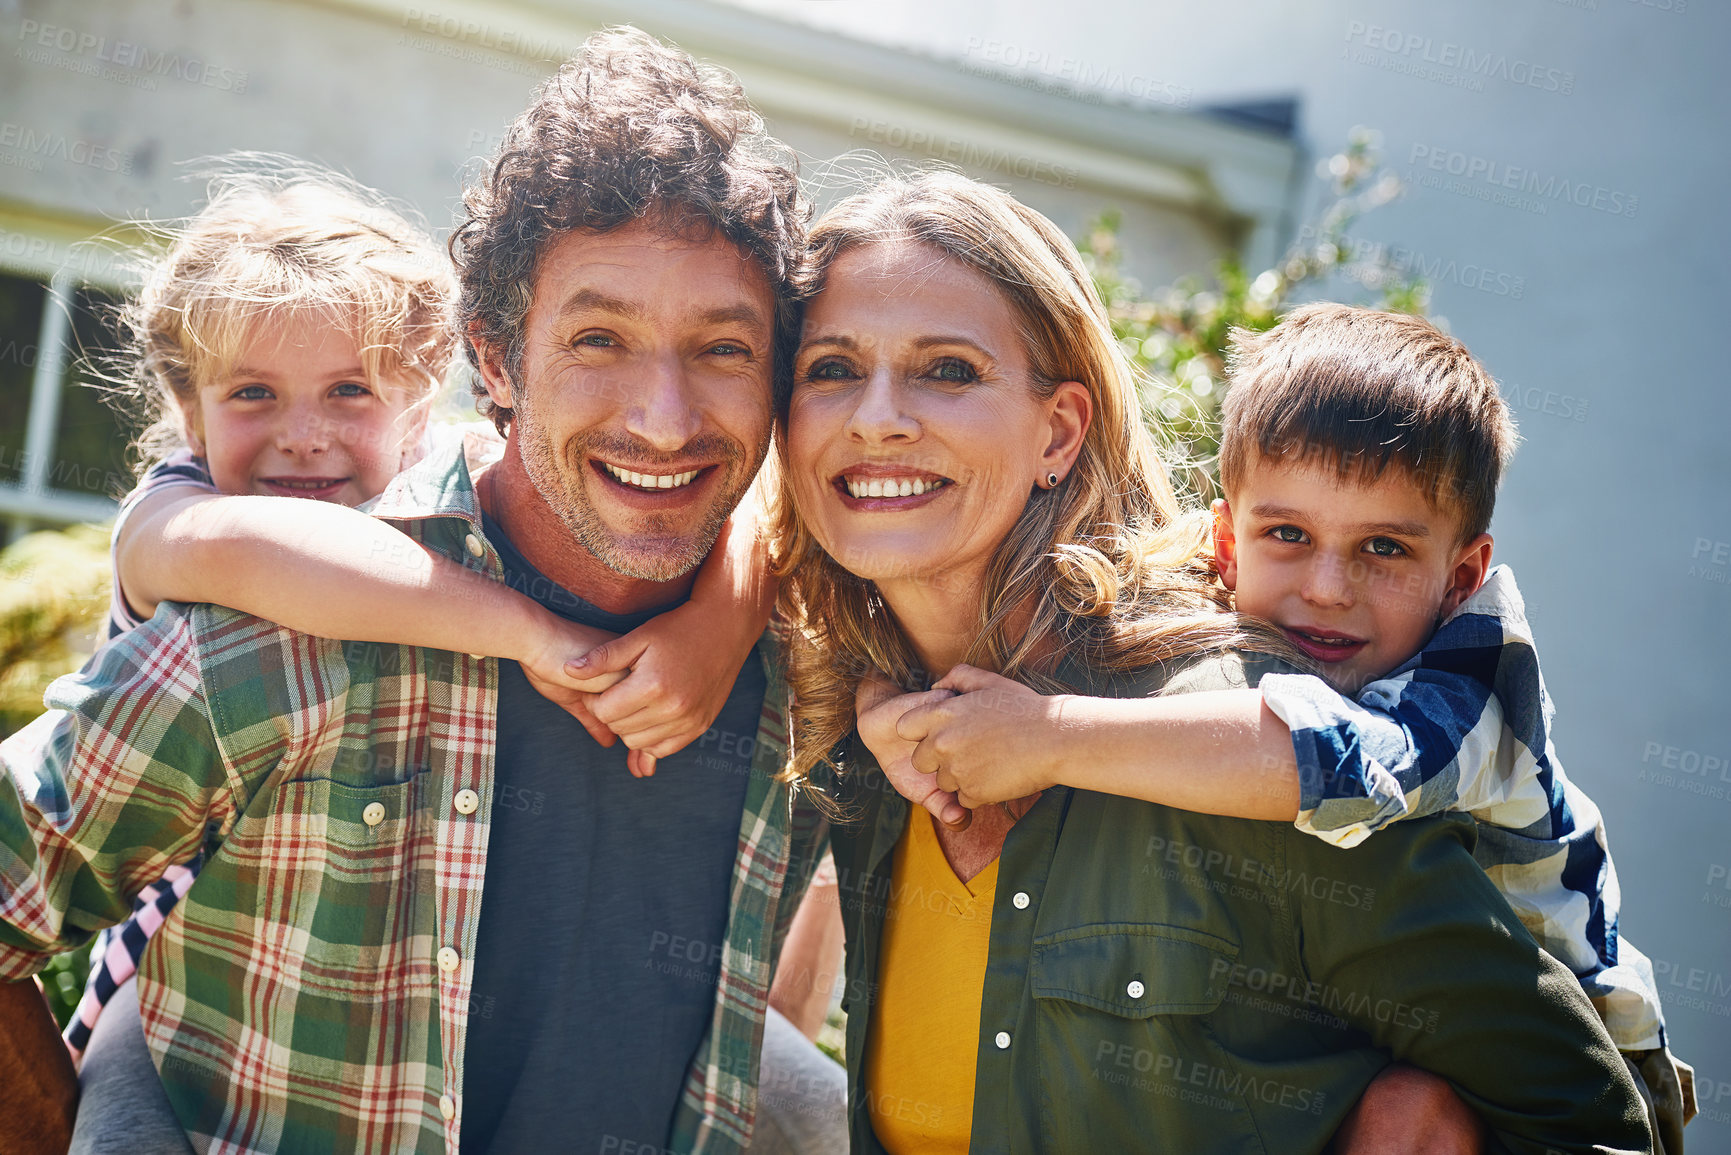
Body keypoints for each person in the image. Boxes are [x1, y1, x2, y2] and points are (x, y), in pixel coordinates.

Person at [0, 29, 835, 1154]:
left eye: (723, 351)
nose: (665, 419)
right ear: (493, 357)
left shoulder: (812, 653)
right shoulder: (285, 613)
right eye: (600, 338)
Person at [771, 169, 1652, 1152]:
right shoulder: (862, 747)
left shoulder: (1247, 747)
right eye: (832, 368)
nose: (878, 416)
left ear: (1059, 431)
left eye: (947, 370)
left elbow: (1595, 1127)